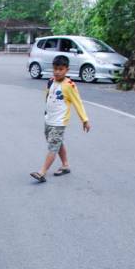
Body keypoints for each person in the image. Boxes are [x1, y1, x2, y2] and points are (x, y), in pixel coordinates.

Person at [30, 55, 90, 183]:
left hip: (59, 122)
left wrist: (84, 119)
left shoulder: (69, 85)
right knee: (57, 143)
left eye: (61, 69)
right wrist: (46, 114)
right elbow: (48, 98)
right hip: (49, 119)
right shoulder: (51, 81)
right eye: (55, 68)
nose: (57, 71)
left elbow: (78, 102)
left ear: (67, 70)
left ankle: (42, 172)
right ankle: (65, 165)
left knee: (53, 146)